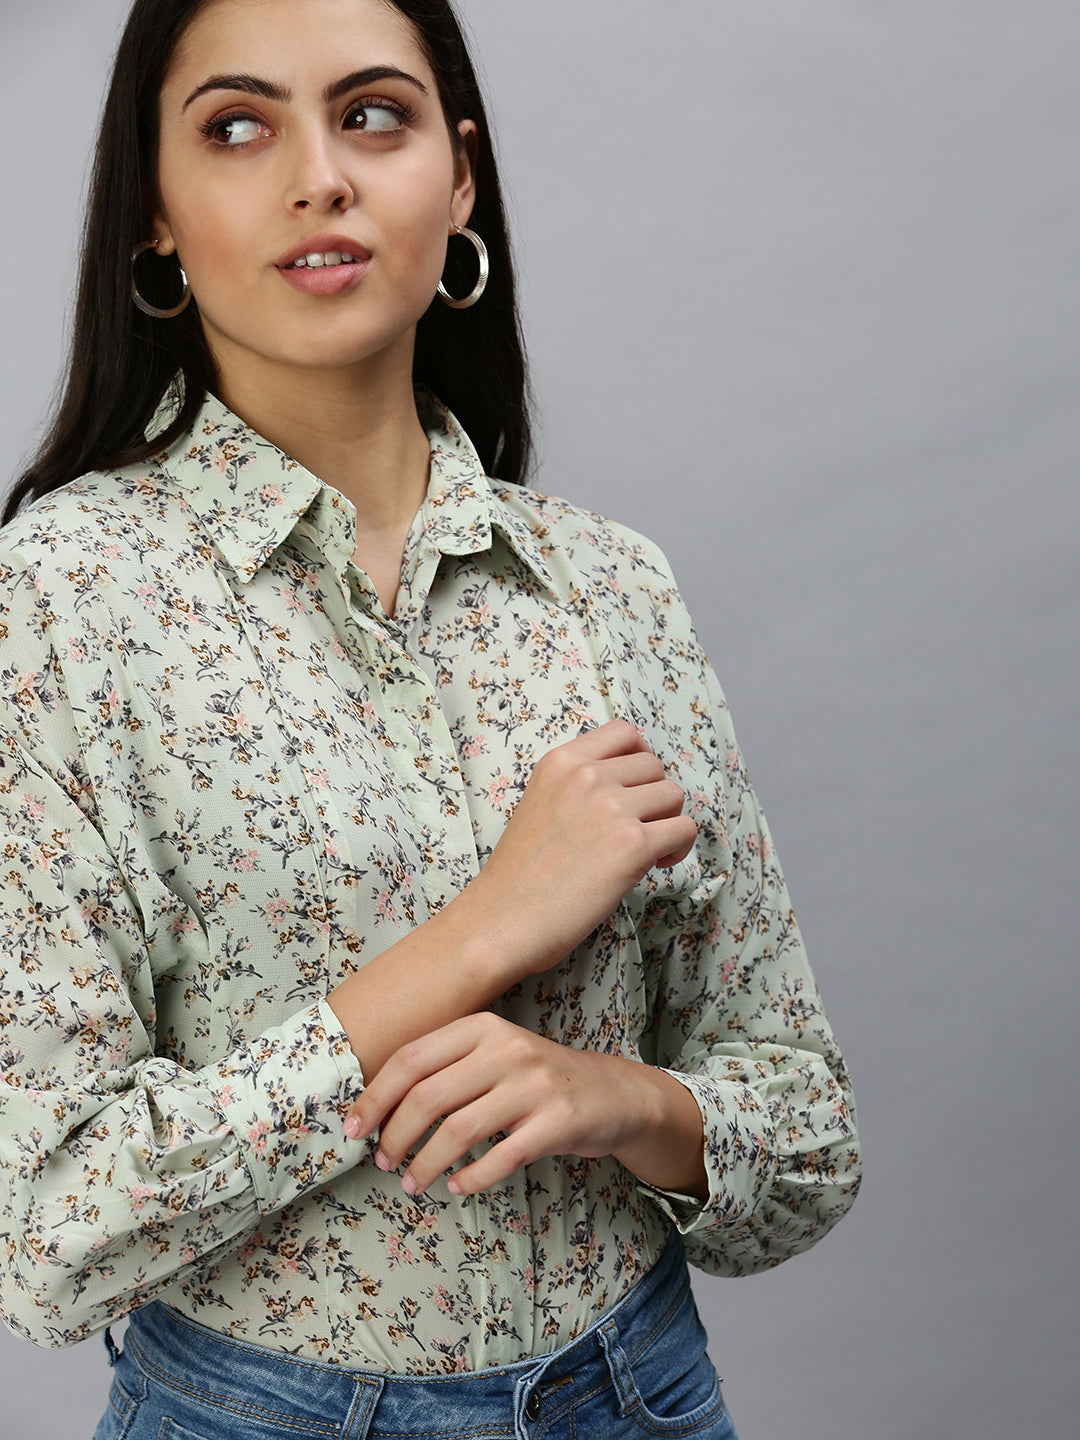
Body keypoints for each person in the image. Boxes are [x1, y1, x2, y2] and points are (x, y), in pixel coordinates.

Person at [0, 1, 861, 1435]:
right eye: (237, 127)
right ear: (152, 209)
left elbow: (810, 1141)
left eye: (372, 116)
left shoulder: (609, 587)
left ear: (459, 178)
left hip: (638, 1391)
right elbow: (45, 1231)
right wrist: (483, 933)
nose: (319, 177)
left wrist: (614, 1099)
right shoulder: (58, 602)